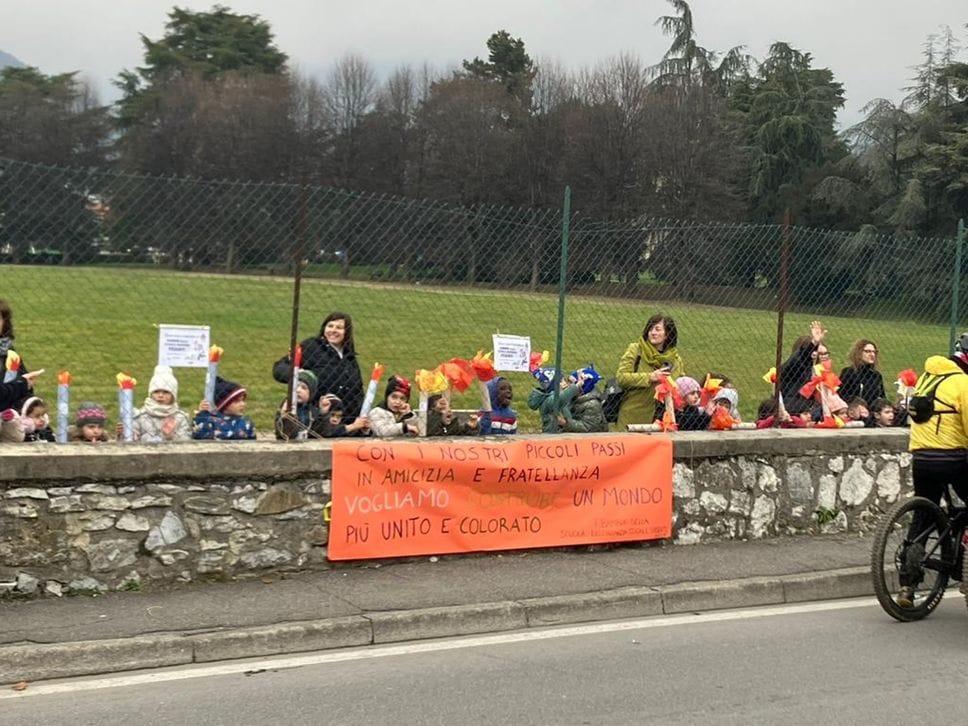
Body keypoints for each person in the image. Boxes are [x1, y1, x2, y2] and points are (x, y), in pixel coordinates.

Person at [897, 340, 968, 608]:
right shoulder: (963, 383)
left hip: (921, 456)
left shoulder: (927, 377)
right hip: (953, 457)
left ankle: (907, 585)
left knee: (924, 514)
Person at [272, 311, 364, 422]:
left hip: (345, 420)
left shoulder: (350, 357)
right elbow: (279, 368)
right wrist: (298, 374)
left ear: (347, 332)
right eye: (330, 326)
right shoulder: (311, 346)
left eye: (339, 327)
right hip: (316, 417)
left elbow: (358, 390)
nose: (333, 330)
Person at [615, 314, 684, 430]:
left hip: (663, 420)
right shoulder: (636, 350)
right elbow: (621, 377)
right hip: (633, 415)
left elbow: (681, 385)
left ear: (667, 334)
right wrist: (650, 377)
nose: (652, 332)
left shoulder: (675, 360)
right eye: (650, 329)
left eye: (657, 329)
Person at [130, 365, 192, 443]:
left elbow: (186, 442)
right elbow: (131, 443)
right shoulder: (140, 416)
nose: (160, 395)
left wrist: (171, 437)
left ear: (173, 396)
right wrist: (122, 435)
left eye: (165, 392)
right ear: (151, 394)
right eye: (156, 391)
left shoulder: (180, 417)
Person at [778, 320, 828, 413]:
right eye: (813, 350)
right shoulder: (793, 366)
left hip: (812, 409)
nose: (815, 354)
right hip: (795, 408)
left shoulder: (817, 369)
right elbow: (801, 358)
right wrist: (814, 343)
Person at [275, 370, 326, 440]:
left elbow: (321, 431)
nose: (298, 390)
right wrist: (285, 418)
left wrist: (323, 413)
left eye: (304, 388)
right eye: (296, 386)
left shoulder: (313, 411)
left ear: (311, 393)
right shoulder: (285, 407)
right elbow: (283, 434)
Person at [527, 367, 579, 433]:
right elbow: (561, 398)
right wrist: (576, 386)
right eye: (562, 380)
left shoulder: (556, 395)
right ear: (555, 384)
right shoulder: (549, 400)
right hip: (552, 435)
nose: (565, 383)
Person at [560, 366, 608, 433]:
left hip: (591, 439)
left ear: (582, 387)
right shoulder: (572, 396)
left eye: (571, 383)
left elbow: (588, 427)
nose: (567, 385)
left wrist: (565, 423)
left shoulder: (592, 404)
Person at [839, 339, 885, 403]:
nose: (872, 354)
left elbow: (882, 397)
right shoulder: (849, 372)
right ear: (859, 353)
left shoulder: (876, 375)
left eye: (874, 352)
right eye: (868, 351)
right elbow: (842, 395)